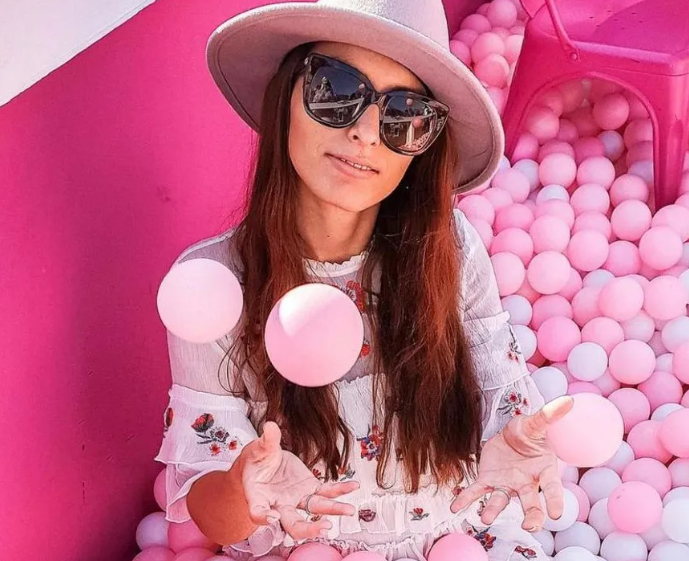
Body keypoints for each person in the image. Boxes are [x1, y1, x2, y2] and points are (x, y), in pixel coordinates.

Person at [154, 0, 572, 559]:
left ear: (420, 150)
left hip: (454, 536)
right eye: (336, 89)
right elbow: (212, 514)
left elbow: (503, 387)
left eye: (404, 113)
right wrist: (242, 491)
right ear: (285, 98)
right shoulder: (215, 286)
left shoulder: (447, 247)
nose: (367, 133)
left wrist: (513, 438)